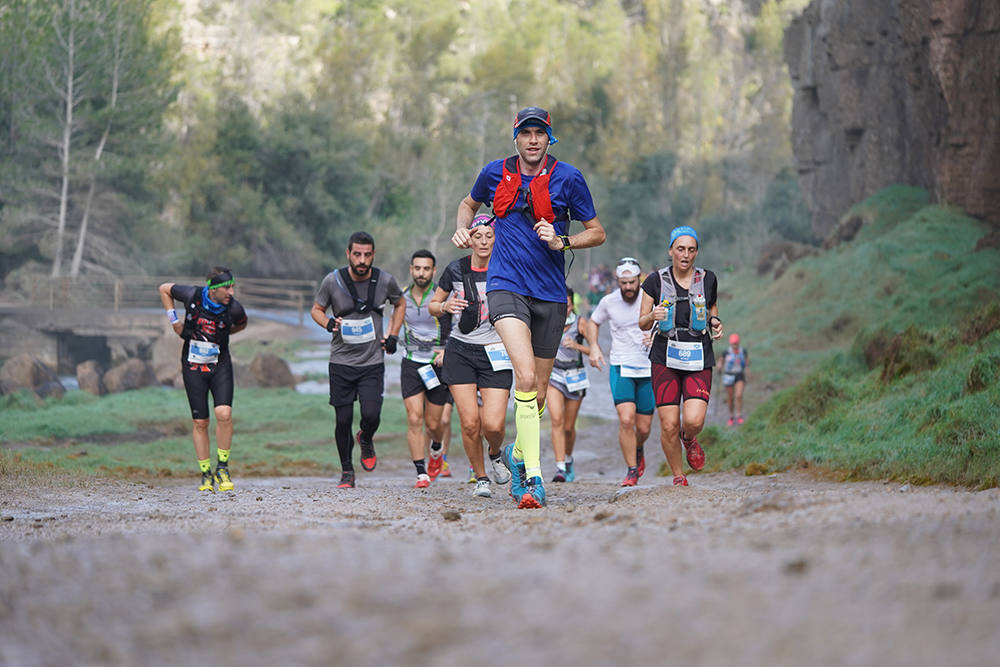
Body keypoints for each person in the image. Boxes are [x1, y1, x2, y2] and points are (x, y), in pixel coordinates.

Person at [454, 106, 606, 508]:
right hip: (505, 287)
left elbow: (597, 232)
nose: (533, 140)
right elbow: (468, 205)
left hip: (551, 294)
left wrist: (563, 242)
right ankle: (534, 480)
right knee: (523, 377)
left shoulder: (569, 178)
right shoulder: (494, 172)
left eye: (540, 133)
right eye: (526, 133)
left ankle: (517, 457)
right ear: (516, 137)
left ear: (548, 138)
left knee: (536, 394)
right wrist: (462, 226)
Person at [311, 231, 404, 489]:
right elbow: (316, 310)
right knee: (342, 420)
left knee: (371, 414)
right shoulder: (333, 281)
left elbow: (400, 303)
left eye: (367, 255)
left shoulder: (384, 280)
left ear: (373, 254)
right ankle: (347, 471)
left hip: (372, 361)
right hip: (340, 361)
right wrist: (329, 323)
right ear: (348, 254)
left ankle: (365, 436)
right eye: (357, 254)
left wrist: (393, 335)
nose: (362, 260)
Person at [430, 215, 512, 499]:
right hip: (461, 350)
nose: (484, 241)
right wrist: (445, 305)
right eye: (478, 236)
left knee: (493, 424)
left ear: (496, 237)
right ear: (469, 240)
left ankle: (495, 452)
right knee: (469, 423)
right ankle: (481, 478)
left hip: (497, 351)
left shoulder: (507, 267)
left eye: (489, 235)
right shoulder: (455, 269)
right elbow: (432, 306)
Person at [638, 226, 724, 486]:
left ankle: (689, 438)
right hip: (665, 355)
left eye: (691, 249)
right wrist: (653, 316)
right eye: (680, 249)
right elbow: (641, 322)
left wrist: (716, 321)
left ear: (696, 252)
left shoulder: (708, 279)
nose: (685, 255)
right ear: (671, 251)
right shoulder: (654, 281)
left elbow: (712, 308)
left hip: (698, 355)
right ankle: (678, 475)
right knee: (668, 425)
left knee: (694, 420)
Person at [158, 268, 248, 493]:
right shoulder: (192, 295)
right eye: (227, 287)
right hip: (193, 366)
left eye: (232, 286)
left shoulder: (234, 307)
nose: (231, 291)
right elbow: (164, 289)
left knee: (224, 414)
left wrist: (224, 332)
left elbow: (242, 323)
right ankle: (206, 473)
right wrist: (174, 321)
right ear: (213, 288)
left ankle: (223, 468)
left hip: (220, 365)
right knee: (200, 423)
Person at [584, 258, 655, 487]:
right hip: (622, 365)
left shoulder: (651, 299)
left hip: (648, 367)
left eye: (632, 282)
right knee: (626, 419)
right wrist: (594, 346)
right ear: (617, 281)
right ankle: (632, 470)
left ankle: (638, 446)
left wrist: (656, 336)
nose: (628, 287)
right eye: (623, 283)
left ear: (640, 278)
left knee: (643, 428)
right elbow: (592, 323)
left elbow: (668, 323)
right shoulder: (609, 301)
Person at [400, 249, 453, 488]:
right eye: (417, 268)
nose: (421, 273)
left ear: (434, 271)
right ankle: (421, 472)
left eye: (426, 269)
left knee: (435, 424)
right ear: (411, 270)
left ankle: (435, 449)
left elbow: (458, 326)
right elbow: (392, 323)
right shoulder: (401, 297)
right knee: (414, 418)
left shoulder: (442, 297)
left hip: (437, 364)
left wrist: (446, 350)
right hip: (411, 361)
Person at [547, 288, 589, 482]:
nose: (564, 308)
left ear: (573, 305)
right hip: (554, 375)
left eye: (568, 305)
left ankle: (568, 459)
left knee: (569, 427)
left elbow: (594, 349)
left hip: (575, 376)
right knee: (556, 419)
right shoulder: (548, 320)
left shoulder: (580, 322)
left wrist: (577, 346)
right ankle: (560, 467)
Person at [719, 333, 749, 426]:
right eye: (733, 343)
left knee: (739, 395)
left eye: (736, 343)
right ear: (730, 343)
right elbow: (720, 362)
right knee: (730, 397)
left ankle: (739, 415)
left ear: (738, 342)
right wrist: (719, 366)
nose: (734, 345)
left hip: (739, 375)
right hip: (728, 375)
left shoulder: (743, 351)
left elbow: (747, 362)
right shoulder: (726, 352)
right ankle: (731, 416)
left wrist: (747, 370)